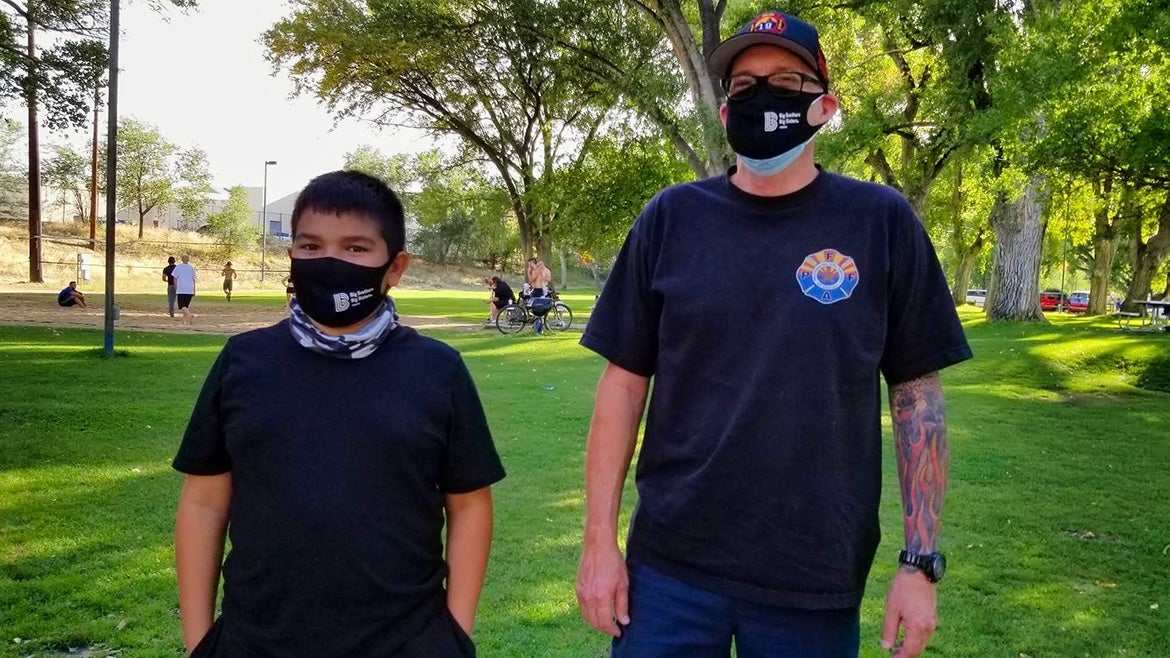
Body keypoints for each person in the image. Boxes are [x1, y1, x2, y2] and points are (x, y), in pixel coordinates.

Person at [575, 11, 972, 658]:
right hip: (671, 567)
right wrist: (598, 542)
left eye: (786, 81)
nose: (762, 96)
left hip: (813, 574)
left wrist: (919, 563)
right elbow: (621, 387)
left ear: (826, 104)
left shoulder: (881, 222)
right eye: (744, 84)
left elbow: (917, 399)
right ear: (727, 111)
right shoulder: (671, 219)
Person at [173, 170, 504, 658]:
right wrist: (199, 643)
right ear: (292, 255)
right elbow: (203, 501)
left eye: (355, 249)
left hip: (407, 643)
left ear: (395, 267)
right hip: (257, 641)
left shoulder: (437, 370)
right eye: (310, 246)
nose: (330, 262)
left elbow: (470, 504)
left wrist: (455, 636)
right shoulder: (244, 363)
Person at [172, 254, 197, 326]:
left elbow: (175, 278)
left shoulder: (178, 267)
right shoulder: (191, 268)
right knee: (186, 306)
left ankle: (190, 315)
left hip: (182, 288)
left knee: (182, 306)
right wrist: (194, 290)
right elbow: (193, 279)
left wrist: (176, 287)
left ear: (182, 260)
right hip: (189, 289)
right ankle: (184, 321)